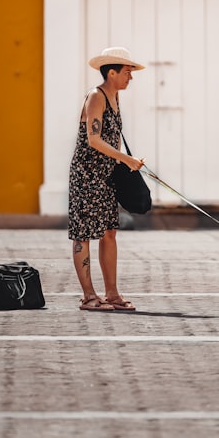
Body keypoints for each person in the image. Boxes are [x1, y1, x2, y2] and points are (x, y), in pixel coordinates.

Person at [68, 47, 146, 311]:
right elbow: (93, 139)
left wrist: (121, 162)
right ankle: (89, 297)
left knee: (109, 233)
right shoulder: (96, 97)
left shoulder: (114, 97)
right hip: (86, 175)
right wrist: (125, 159)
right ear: (111, 72)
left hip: (106, 175)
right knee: (84, 234)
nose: (130, 78)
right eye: (127, 72)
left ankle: (112, 295)